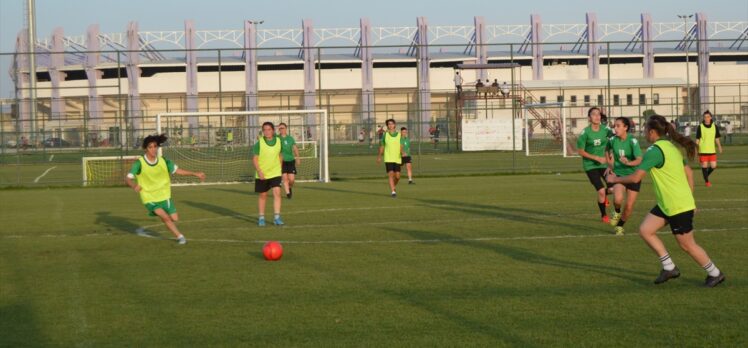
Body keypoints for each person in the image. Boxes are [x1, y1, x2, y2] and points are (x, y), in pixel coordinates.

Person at [606, 114, 725, 287]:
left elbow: (635, 178)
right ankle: (669, 267)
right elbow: (689, 173)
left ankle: (715, 273)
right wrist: (689, 198)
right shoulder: (670, 147)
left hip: (676, 205)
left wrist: (614, 180)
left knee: (687, 245)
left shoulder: (654, 151)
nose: (644, 133)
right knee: (646, 230)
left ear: (652, 132)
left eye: (646, 129)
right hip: (668, 204)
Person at [125, 134, 206, 244]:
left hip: (164, 195)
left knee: (175, 218)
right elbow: (128, 179)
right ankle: (180, 237)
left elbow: (178, 171)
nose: (153, 149)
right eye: (150, 147)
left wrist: (195, 174)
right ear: (145, 148)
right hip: (149, 197)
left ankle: (171, 226)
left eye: (155, 146)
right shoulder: (139, 163)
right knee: (166, 217)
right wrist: (134, 185)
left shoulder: (163, 161)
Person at [605, 117, 643, 236]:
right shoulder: (612, 140)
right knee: (617, 199)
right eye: (614, 126)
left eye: (618, 126)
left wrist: (628, 163)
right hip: (619, 175)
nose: (615, 128)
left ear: (625, 127)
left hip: (633, 176)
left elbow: (639, 160)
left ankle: (620, 226)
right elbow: (606, 151)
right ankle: (616, 211)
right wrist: (610, 166)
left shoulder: (633, 141)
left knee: (629, 207)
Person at [577, 107, 614, 223]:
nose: (597, 116)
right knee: (601, 191)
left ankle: (605, 197)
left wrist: (610, 159)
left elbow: (614, 142)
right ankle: (604, 215)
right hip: (590, 166)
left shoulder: (606, 130)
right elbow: (580, 151)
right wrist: (596, 157)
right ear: (589, 118)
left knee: (613, 189)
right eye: (594, 114)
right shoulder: (585, 133)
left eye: (599, 114)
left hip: (604, 165)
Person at [253, 122, 284, 226]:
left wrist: (280, 168)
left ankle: (277, 217)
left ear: (273, 131)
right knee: (263, 195)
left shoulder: (279, 141)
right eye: (264, 130)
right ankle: (261, 217)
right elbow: (255, 159)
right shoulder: (259, 143)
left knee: (277, 193)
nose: (266, 132)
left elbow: (280, 155)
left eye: (269, 129)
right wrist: (259, 171)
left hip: (275, 172)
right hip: (262, 173)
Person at [376, 119, 407, 197]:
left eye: (392, 124)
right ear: (387, 126)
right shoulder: (385, 135)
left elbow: (401, 146)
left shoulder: (399, 135)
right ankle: (393, 191)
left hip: (397, 158)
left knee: (397, 176)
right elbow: (382, 147)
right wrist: (379, 156)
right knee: (390, 174)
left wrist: (402, 152)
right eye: (389, 124)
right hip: (388, 158)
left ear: (394, 125)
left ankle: (393, 186)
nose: (390, 125)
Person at [695, 110, 723, 187]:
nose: (706, 118)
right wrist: (696, 150)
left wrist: (719, 147)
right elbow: (697, 139)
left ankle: (705, 175)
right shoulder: (700, 127)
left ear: (711, 117)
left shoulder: (715, 126)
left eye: (708, 117)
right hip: (703, 150)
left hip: (712, 150)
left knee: (713, 166)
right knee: (704, 166)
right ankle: (707, 181)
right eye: (705, 117)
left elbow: (716, 138)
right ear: (703, 118)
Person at [278, 122, 300, 199]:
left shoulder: (290, 138)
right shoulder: (277, 138)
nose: (281, 129)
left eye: (282, 128)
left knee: (291, 180)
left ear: (286, 129)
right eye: (280, 128)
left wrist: (297, 158)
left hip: (290, 161)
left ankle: (290, 187)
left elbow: (295, 148)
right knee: (285, 178)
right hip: (281, 162)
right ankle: (288, 193)